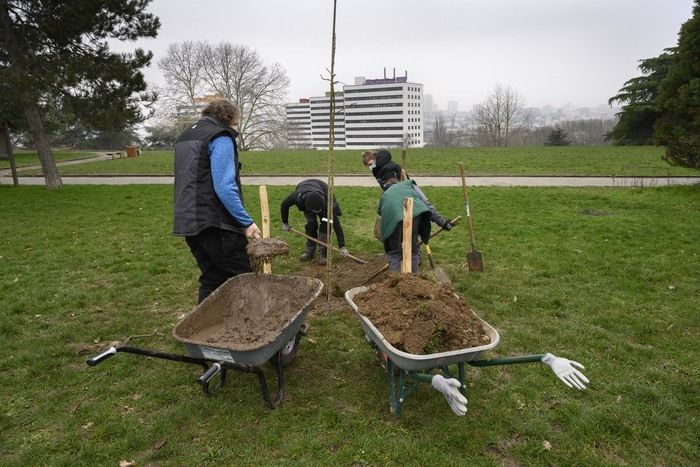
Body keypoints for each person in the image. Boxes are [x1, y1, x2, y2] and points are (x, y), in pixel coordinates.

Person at [173, 99, 261, 303]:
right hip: (215, 223)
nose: (234, 127)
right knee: (244, 278)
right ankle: (258, 329)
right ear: (229, 118)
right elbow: (224, 186)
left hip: (188, 221)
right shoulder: (220, 136)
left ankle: (201, 330)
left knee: (212, 278)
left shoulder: (186, 136)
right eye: (235, 123)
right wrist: (245, 222)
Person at [362, 148, 454, 231]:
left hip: (407, 186)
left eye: (370, 164)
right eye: (368, 166)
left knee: (424, 205)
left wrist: (388, 185)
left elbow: (392, 181)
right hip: (395, 192)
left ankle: (443, 223)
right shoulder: (376, 170)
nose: (370, 167)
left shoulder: (386, 165)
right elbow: (383, 184)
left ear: (374, 158)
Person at [280, 179, 348, 265]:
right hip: (305, 192)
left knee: (325, 226)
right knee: (311, 225)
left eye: (318, 211)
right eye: (315, 211)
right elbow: (284, 205)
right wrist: (285, 223)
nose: (317, 213)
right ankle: (310, 250)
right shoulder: (298, 196)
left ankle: (323, 253)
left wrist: (342, 246)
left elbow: (336, 225)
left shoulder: (327, 203)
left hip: (324, 190)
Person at [376, 176, 432, 273]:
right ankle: (415, 279)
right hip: (415, 217)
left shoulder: (385, 194)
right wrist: (443, 223)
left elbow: (380, 211)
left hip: (397, 221)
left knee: (394, 253)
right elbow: (427, 206)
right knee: (413, 251)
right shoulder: (407, 187)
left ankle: (395, 280)